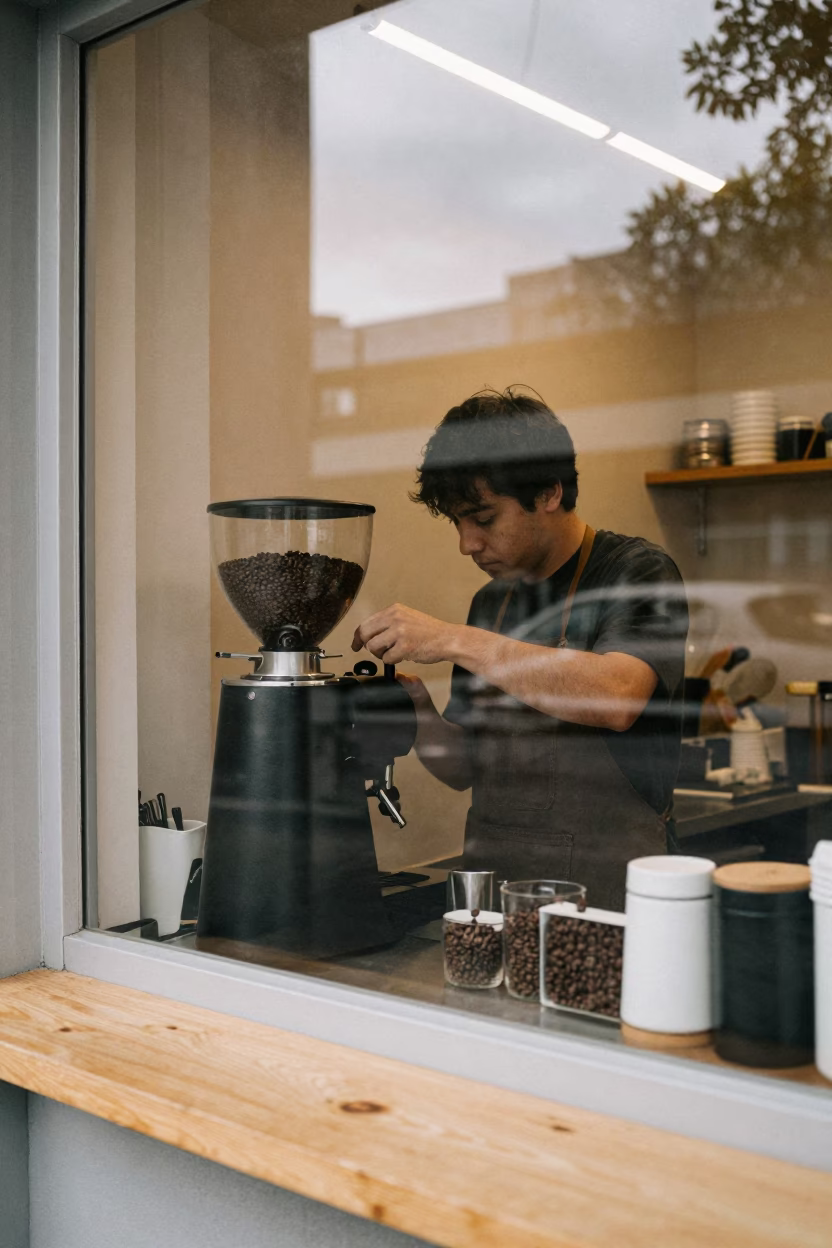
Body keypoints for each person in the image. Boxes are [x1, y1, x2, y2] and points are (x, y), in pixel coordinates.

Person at [352, 388, 688, 910]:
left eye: (483, 519)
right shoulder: (492, 604)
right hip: (496, 897)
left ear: (549, 493)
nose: (467, 544)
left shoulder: (635, 572)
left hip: (606, 900)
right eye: (457, 524)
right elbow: (462, 768)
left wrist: (450, 639)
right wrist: (418, 710)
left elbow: (619, 696)